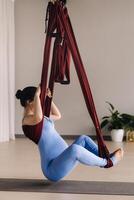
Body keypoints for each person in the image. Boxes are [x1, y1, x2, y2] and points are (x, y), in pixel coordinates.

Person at [15, 85, 124, 182]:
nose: (41, 102)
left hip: (63, 158)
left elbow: (57, 115)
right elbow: (37, 117)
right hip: (52, 169)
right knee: (75, 149)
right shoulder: (27, 121)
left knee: (83, 139)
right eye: (38, 99)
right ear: (29, 102)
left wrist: (49, 98)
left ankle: (107, 156)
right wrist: (38, 93)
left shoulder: (40, 117)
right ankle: (107, 163)